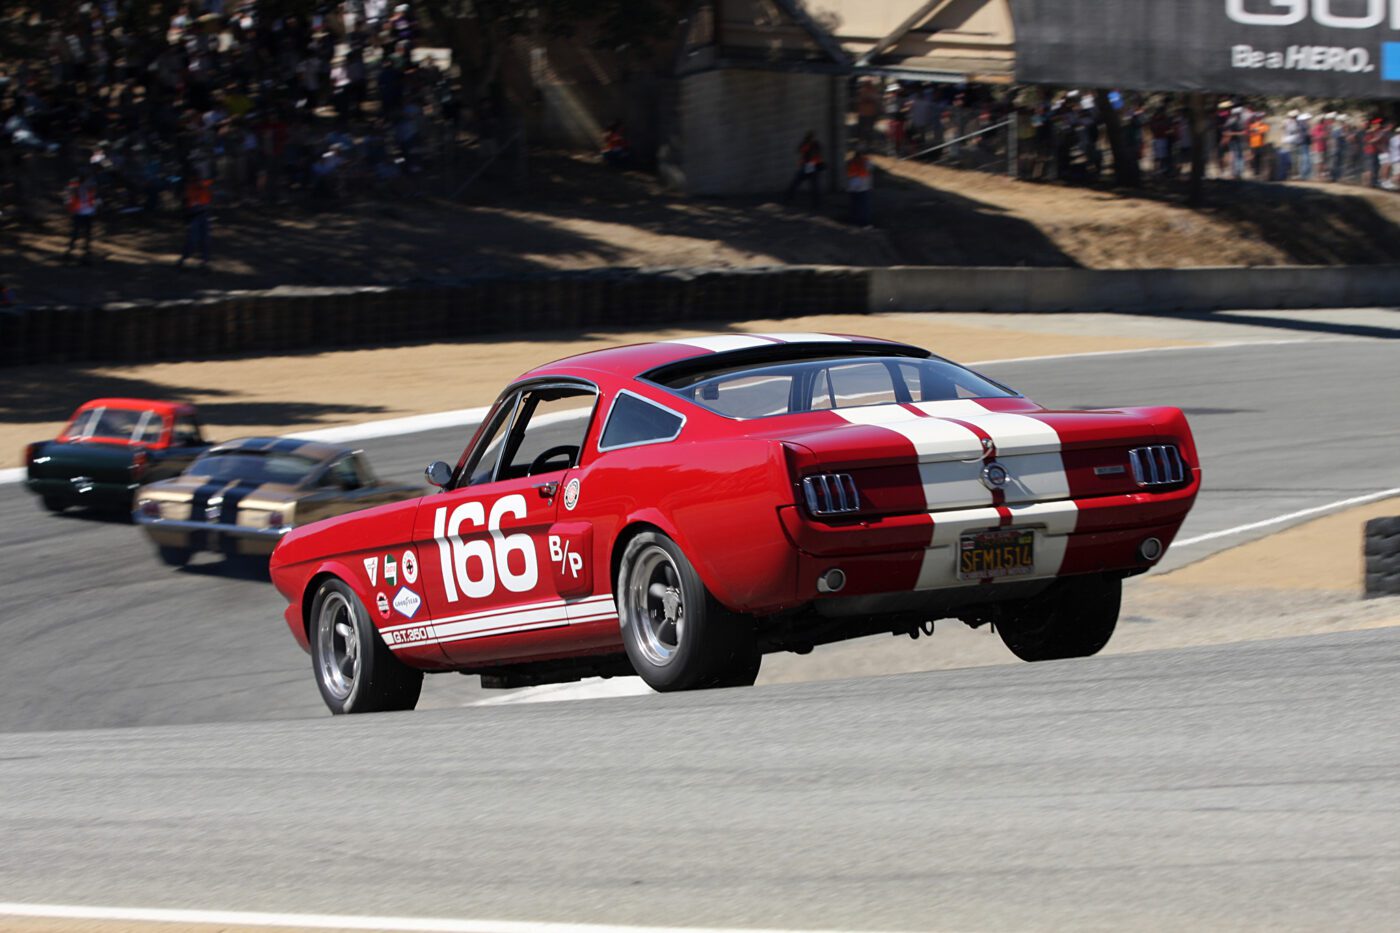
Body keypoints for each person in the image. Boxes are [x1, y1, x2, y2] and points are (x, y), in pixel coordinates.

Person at [177, 170, 213, 268]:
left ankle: (204, 261)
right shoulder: (189, 188)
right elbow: (188, 203)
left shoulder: (204, 185)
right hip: (195, 216)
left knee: (205, 239)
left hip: (203, 215)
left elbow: (208, 185)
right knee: (192, 240)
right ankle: (183, 259)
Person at [64, 168, 99, 263]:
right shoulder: (75, 185)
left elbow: (94, 197)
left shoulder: (90, 185)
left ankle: (85, 251)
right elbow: (68, 197)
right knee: (77, 232)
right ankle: (72, 250)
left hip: (86, 211)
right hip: (80, 212)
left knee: (84, 232)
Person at [785, 131, 825, 208]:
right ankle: (816, 203)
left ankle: (816, 203)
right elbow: (800, 150)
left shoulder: (813, 144)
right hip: (811, 166)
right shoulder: (811, 144)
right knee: (811, 184)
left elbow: (805, 152)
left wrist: (806, 145)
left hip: (811, 166)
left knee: (799, 181)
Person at [846, 149, 873, 227]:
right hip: (863, 188)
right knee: (864, 207)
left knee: (855, 206)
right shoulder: (866, 162)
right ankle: (864, 222)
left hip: (853, 188)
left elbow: (848, 173)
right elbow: (870, 172)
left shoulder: (850, 162)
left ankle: (854, 221)